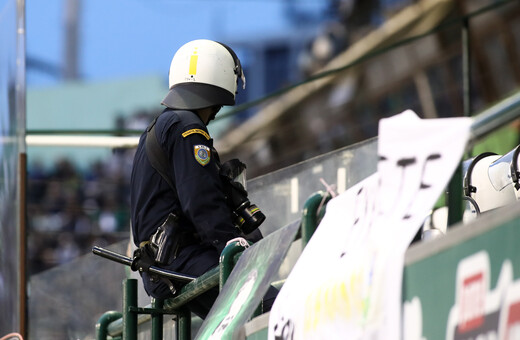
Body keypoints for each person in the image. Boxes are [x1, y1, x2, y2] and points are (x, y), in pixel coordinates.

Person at [130, 39, 267, 318]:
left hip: (164, 265)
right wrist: (231, 245)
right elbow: (200, 200)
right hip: (184, 260)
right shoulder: (188, 129)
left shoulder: (159, 128)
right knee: (272, 308)